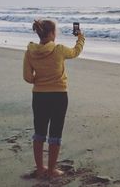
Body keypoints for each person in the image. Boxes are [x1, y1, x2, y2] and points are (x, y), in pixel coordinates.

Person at [23, 19, 85, 178]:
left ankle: (40, 168)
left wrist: (41, 80)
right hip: (59, 95)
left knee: (39, 133)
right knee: (55, 133)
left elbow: (28, 78)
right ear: (51, 34)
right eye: (55, 32)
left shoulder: (30, 51)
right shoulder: (59, 50)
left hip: (39, 96)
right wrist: (80, 37)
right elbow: (75, 52)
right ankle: (51, 170)